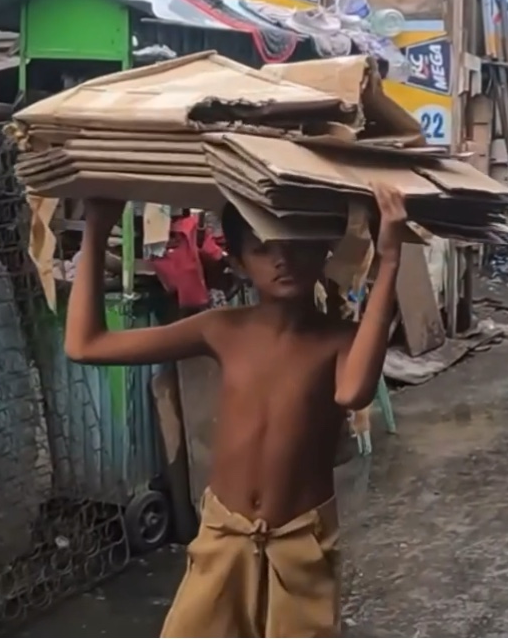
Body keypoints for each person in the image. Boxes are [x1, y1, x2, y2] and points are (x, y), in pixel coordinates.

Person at [63, 184, 410, 638]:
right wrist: (96, 228)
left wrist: (390, 262)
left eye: (295, 245)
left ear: (324, 249)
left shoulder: (340, 338)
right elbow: (85, 344)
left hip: (299, 543)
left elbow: (353, 393)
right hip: (223, 535)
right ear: (239, 263)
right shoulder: (221, 329)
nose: (281, 259)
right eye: (263, 248)